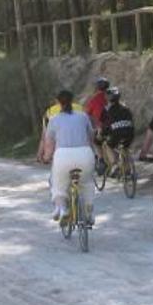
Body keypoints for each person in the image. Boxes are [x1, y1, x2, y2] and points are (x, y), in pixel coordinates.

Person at [42, 90, 99, 223]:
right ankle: (89, 211)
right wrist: (93, 154)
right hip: (85, 154)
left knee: (58, 184)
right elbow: (91, 137)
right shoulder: (83, 116)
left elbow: (49, 144)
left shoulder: (54, 120)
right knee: (87, 183)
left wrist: (46, 158)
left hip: (63, 156)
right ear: (73, 101)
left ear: (58, 103)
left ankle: (63, 209)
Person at [98, 86, 135, 173]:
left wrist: (101, 134)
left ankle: (114, 165)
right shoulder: (126, 107)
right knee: (125, 146)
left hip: (116, 133)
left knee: (108, 145)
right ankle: (128, 169)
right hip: (130, 132)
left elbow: (103, 124)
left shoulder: (107, 109)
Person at [36, 98, 84, 163]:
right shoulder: (80, 108)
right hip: (81, 148)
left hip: (61, 149)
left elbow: (44, 137)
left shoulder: (50, 111)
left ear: (57, 101)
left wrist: (40, 155)